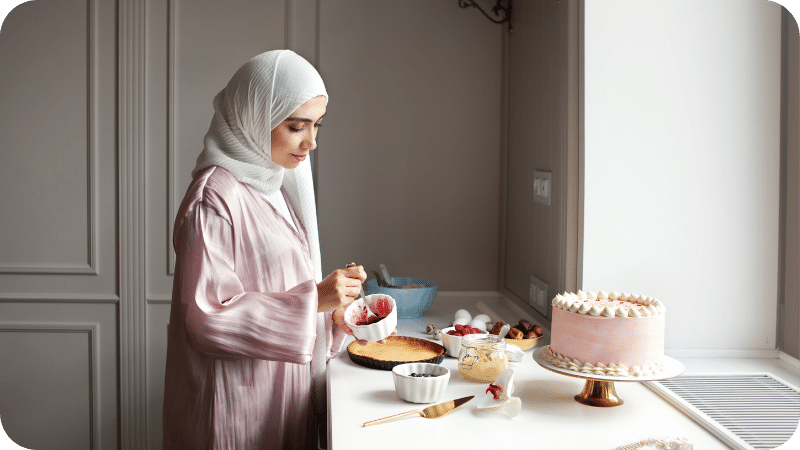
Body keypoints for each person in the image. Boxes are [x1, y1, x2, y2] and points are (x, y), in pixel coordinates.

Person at [162, 49, 367, 450]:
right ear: (253, 117)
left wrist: (330, 315)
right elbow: (207, 318)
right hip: (232, 404)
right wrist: (315, 300)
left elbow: (279, 283)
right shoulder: (214, 198)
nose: (311, 142)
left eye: (317, 125)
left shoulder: (274, 185)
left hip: (279, 394)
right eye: (296, 126)